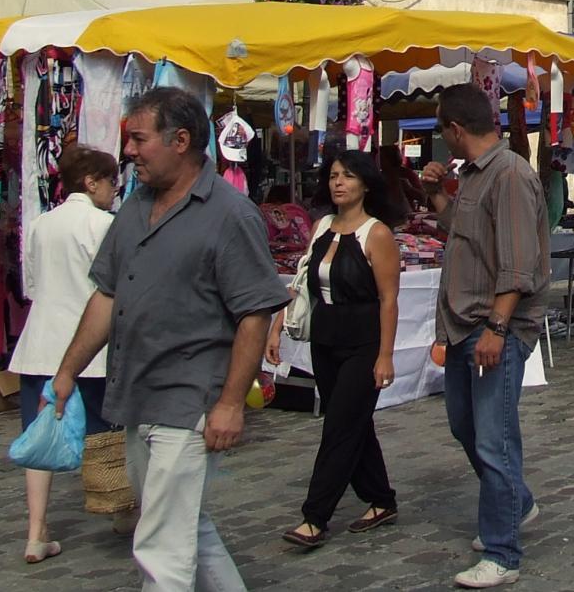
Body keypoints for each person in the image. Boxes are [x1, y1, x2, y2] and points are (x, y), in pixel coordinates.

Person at [51, 87, 289, 592]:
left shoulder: (230, 213)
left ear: (180, 141)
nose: (129, 151)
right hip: (139, 394)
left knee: (161, 546)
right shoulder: (136, 205)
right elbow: (107, 295)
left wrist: (230, 404)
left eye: (139, 139)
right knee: (183, 528)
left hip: (190, 401)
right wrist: (69, 369)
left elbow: (254, 312)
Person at [420, 83, 548, 589]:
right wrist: (435, 196)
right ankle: (520, 504)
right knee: (465, 427)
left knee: (493, 439)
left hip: (492, 327)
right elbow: (464, 233)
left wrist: (498, 327)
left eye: (439, 128)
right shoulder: (474, 176)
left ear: (455, 128)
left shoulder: (511, 175)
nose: (440, 138)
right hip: (463, 326)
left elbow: (518, 265)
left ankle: (502, 553)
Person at [268, 150, 404, 551]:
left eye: (346, 176)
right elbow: (302, 279)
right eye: (332, 176)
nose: (338, 183)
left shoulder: (376, 233)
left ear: (364, 183)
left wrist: (386, 354)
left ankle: (315, 516)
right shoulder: (322, 226)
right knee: (353, 423)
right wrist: (277, 327)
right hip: (325, 338)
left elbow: (389, 298)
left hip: (363, 341)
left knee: (339, 428)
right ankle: (381, 499)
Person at [10, 145, 133, 564]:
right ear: (92, 181)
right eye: (112, 183)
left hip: (41, 343)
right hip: (91, 346)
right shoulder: (104, 224)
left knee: (39, 437)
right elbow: (117, 287)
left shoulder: (41, 224)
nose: (115, 191)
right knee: (108, 435)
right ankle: (121, 510)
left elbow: (31, 282)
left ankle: (36, 530)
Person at [379, 144, 426, 212]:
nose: (379, 161)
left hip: (405, 214)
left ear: (390, 158)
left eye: (382, 158)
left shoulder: (407, 174)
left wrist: (409, 188)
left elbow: (423, 197)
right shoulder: (379, 174)